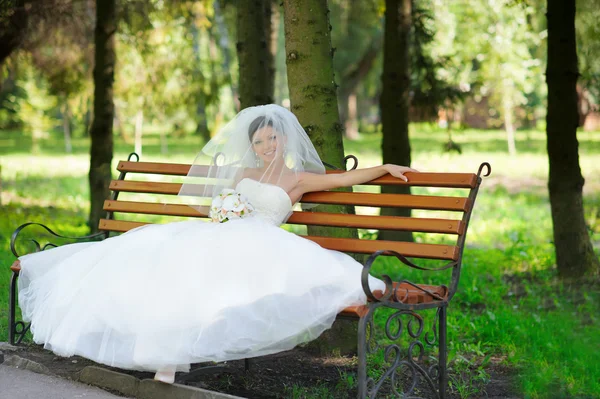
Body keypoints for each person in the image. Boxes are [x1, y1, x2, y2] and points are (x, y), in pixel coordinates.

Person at [16, 104, 417, 384]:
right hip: (221, 235)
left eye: (272, 138)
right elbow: (203, 193)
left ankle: (169, 358)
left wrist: (384, 167)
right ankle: (164, 355)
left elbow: (342, 180)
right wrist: (225, 210)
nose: (267, 147)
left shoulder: (297, 179)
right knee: (165, 263)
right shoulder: (242, 168)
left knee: (210, 280)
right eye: (259, 141)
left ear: (284, 139)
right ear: (253, 145)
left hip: (262, 244)